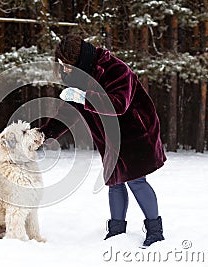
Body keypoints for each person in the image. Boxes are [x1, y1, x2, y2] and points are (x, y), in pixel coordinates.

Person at [39, 34, 167, 247]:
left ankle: (155, 230)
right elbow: (68, 113)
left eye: (67, 65)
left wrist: (83, 97)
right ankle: (117, 229)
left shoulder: (115, 69)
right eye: (62, 65)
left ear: (80, 60)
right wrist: (44, 134)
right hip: (110, 139)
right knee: (115, 182)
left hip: (135, 132)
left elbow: (118, 104)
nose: (64, 70)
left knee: (136, 180)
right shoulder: (79, 76)